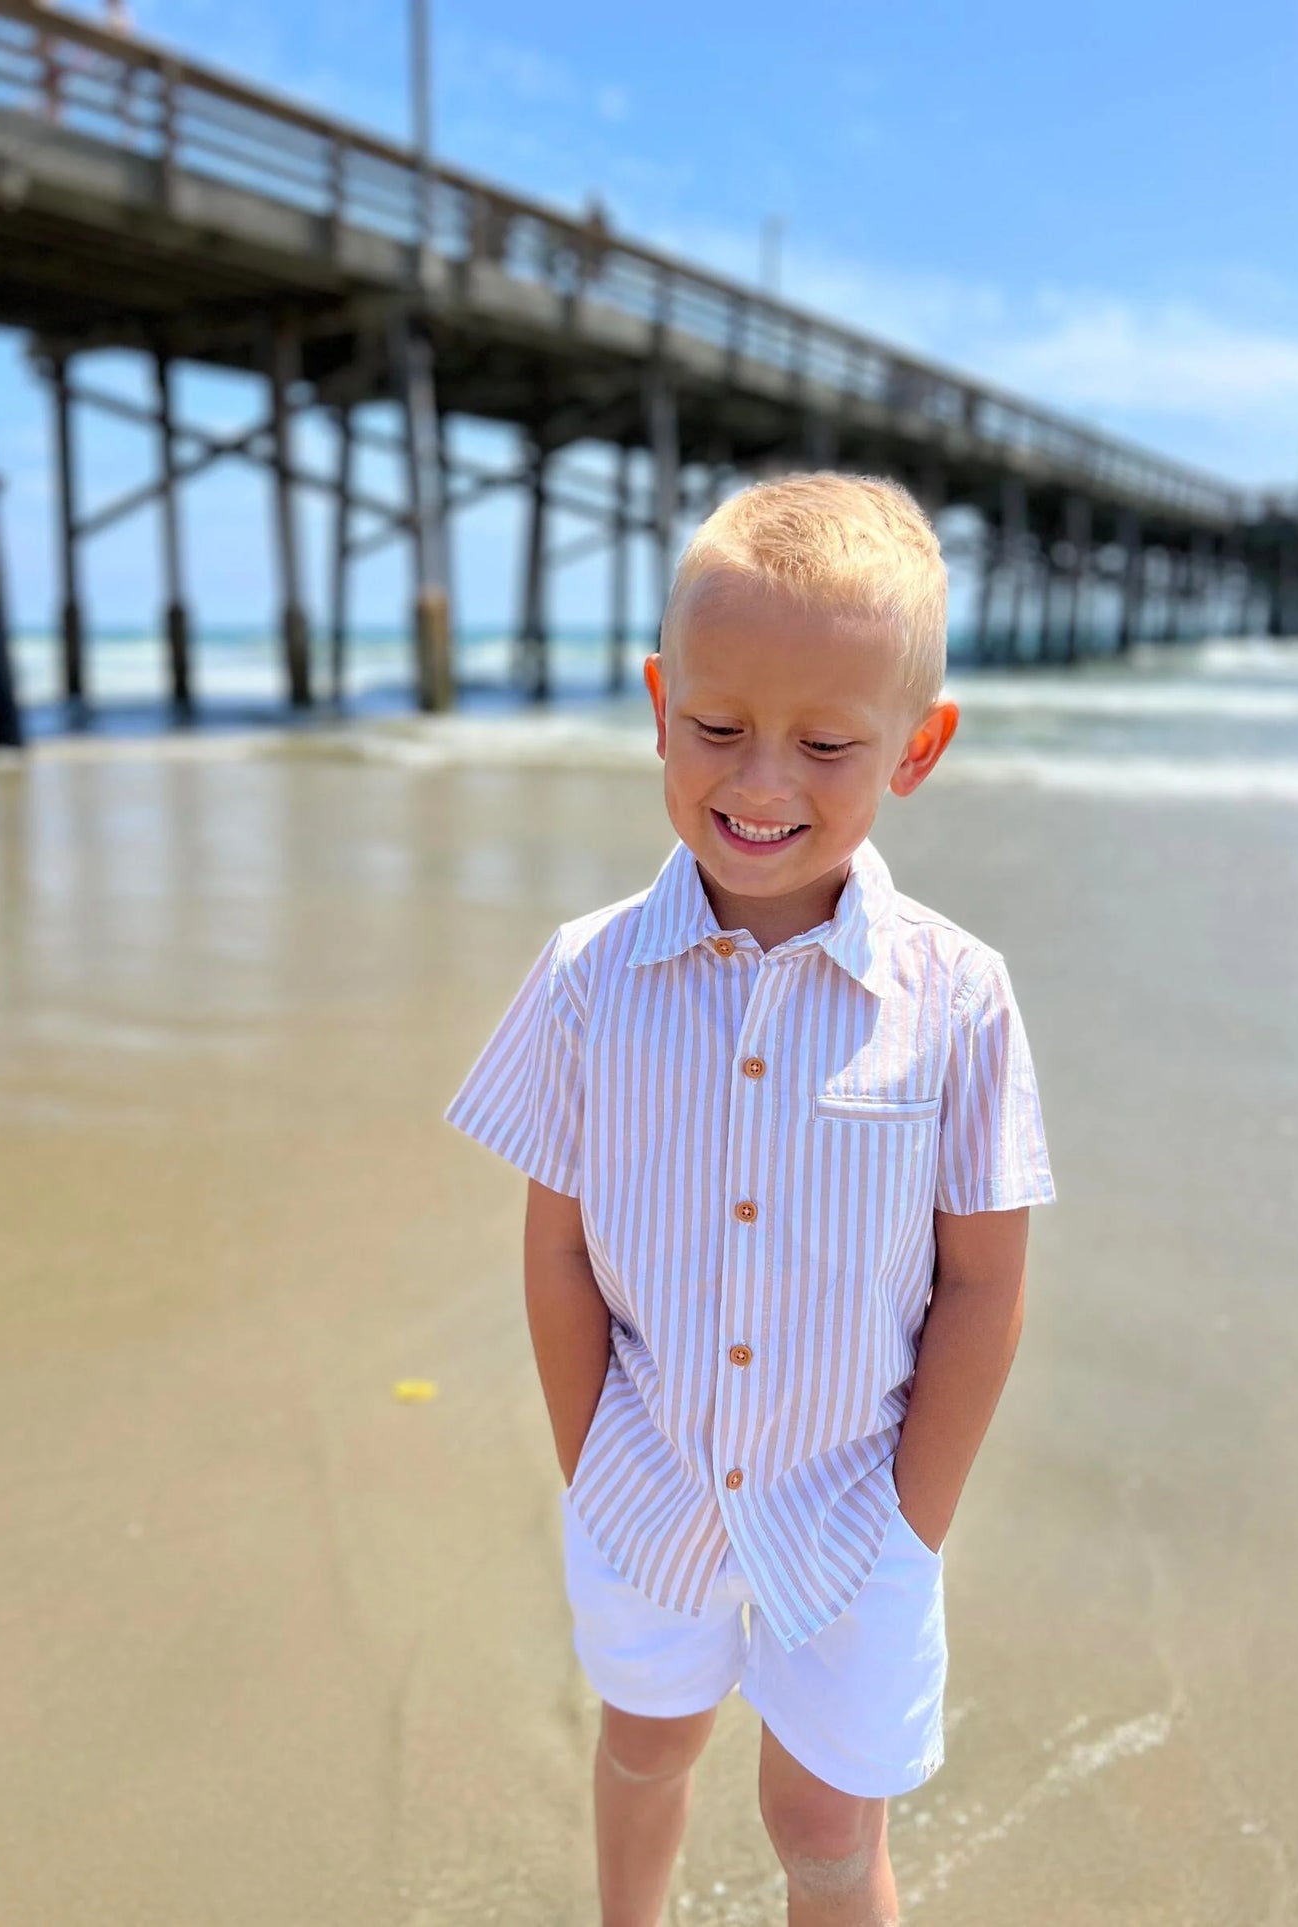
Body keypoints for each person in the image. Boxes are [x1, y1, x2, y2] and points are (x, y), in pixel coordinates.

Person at [445, 471, 1055, 1926]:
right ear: (659, 703)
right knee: (647, 1742)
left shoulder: (956, 998)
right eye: (715, 728)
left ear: (915, 749)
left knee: (825, 1821)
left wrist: (913, 1525)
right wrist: (591, 1458)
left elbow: (981, 1285)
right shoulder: (590, 976)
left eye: (827, 744)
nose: (759, 783)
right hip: (641, 1478)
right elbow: (558, 1247)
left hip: (856, 1501)